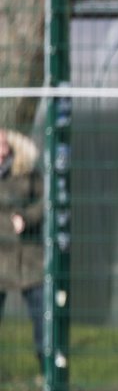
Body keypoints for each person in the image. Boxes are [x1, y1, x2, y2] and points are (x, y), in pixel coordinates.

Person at [0, 129, 44, 377]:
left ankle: (48, 373)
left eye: (4, 144)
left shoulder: (27, 172)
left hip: (28, 258)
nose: (2, 150)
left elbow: (45, 201)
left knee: (42, 317)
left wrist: (26, 218)